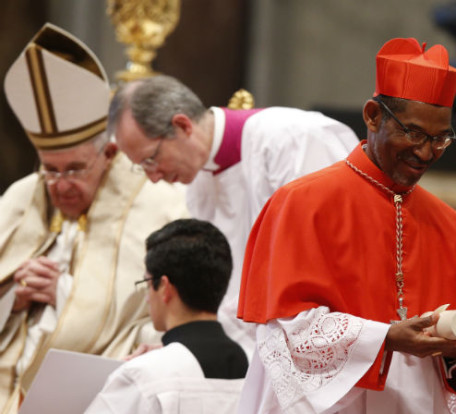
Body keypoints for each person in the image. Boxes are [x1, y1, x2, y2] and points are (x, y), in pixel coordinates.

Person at [236, 37, 456, 413]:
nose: (426, 152)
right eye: (413, 133)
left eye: (440, 139)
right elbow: (286, 330)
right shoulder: (302, 203)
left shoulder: (449, 225)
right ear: (372, 115)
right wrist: (384, 338)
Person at [0, 24, 188, 413]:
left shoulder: (159, 206)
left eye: (74, 169)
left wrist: (67, 295)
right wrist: (12, 300)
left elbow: (166, 321)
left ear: (109, 154)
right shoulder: (23, 197)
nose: (59, 185)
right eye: (50, 170)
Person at [108, 75, 359, 357]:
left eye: (150, 160)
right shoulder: (197, 185)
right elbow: (228, 297)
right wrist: (189, 349)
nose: (153, 178)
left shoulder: (293, 141)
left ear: (182, 125)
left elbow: (317, 274)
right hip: (261, 350)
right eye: (140, 167)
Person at [86, 219, 247, 413]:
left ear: (164, 287)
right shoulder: (260, 368)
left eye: (146, 283)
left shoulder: (142, 376)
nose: (147, 298)